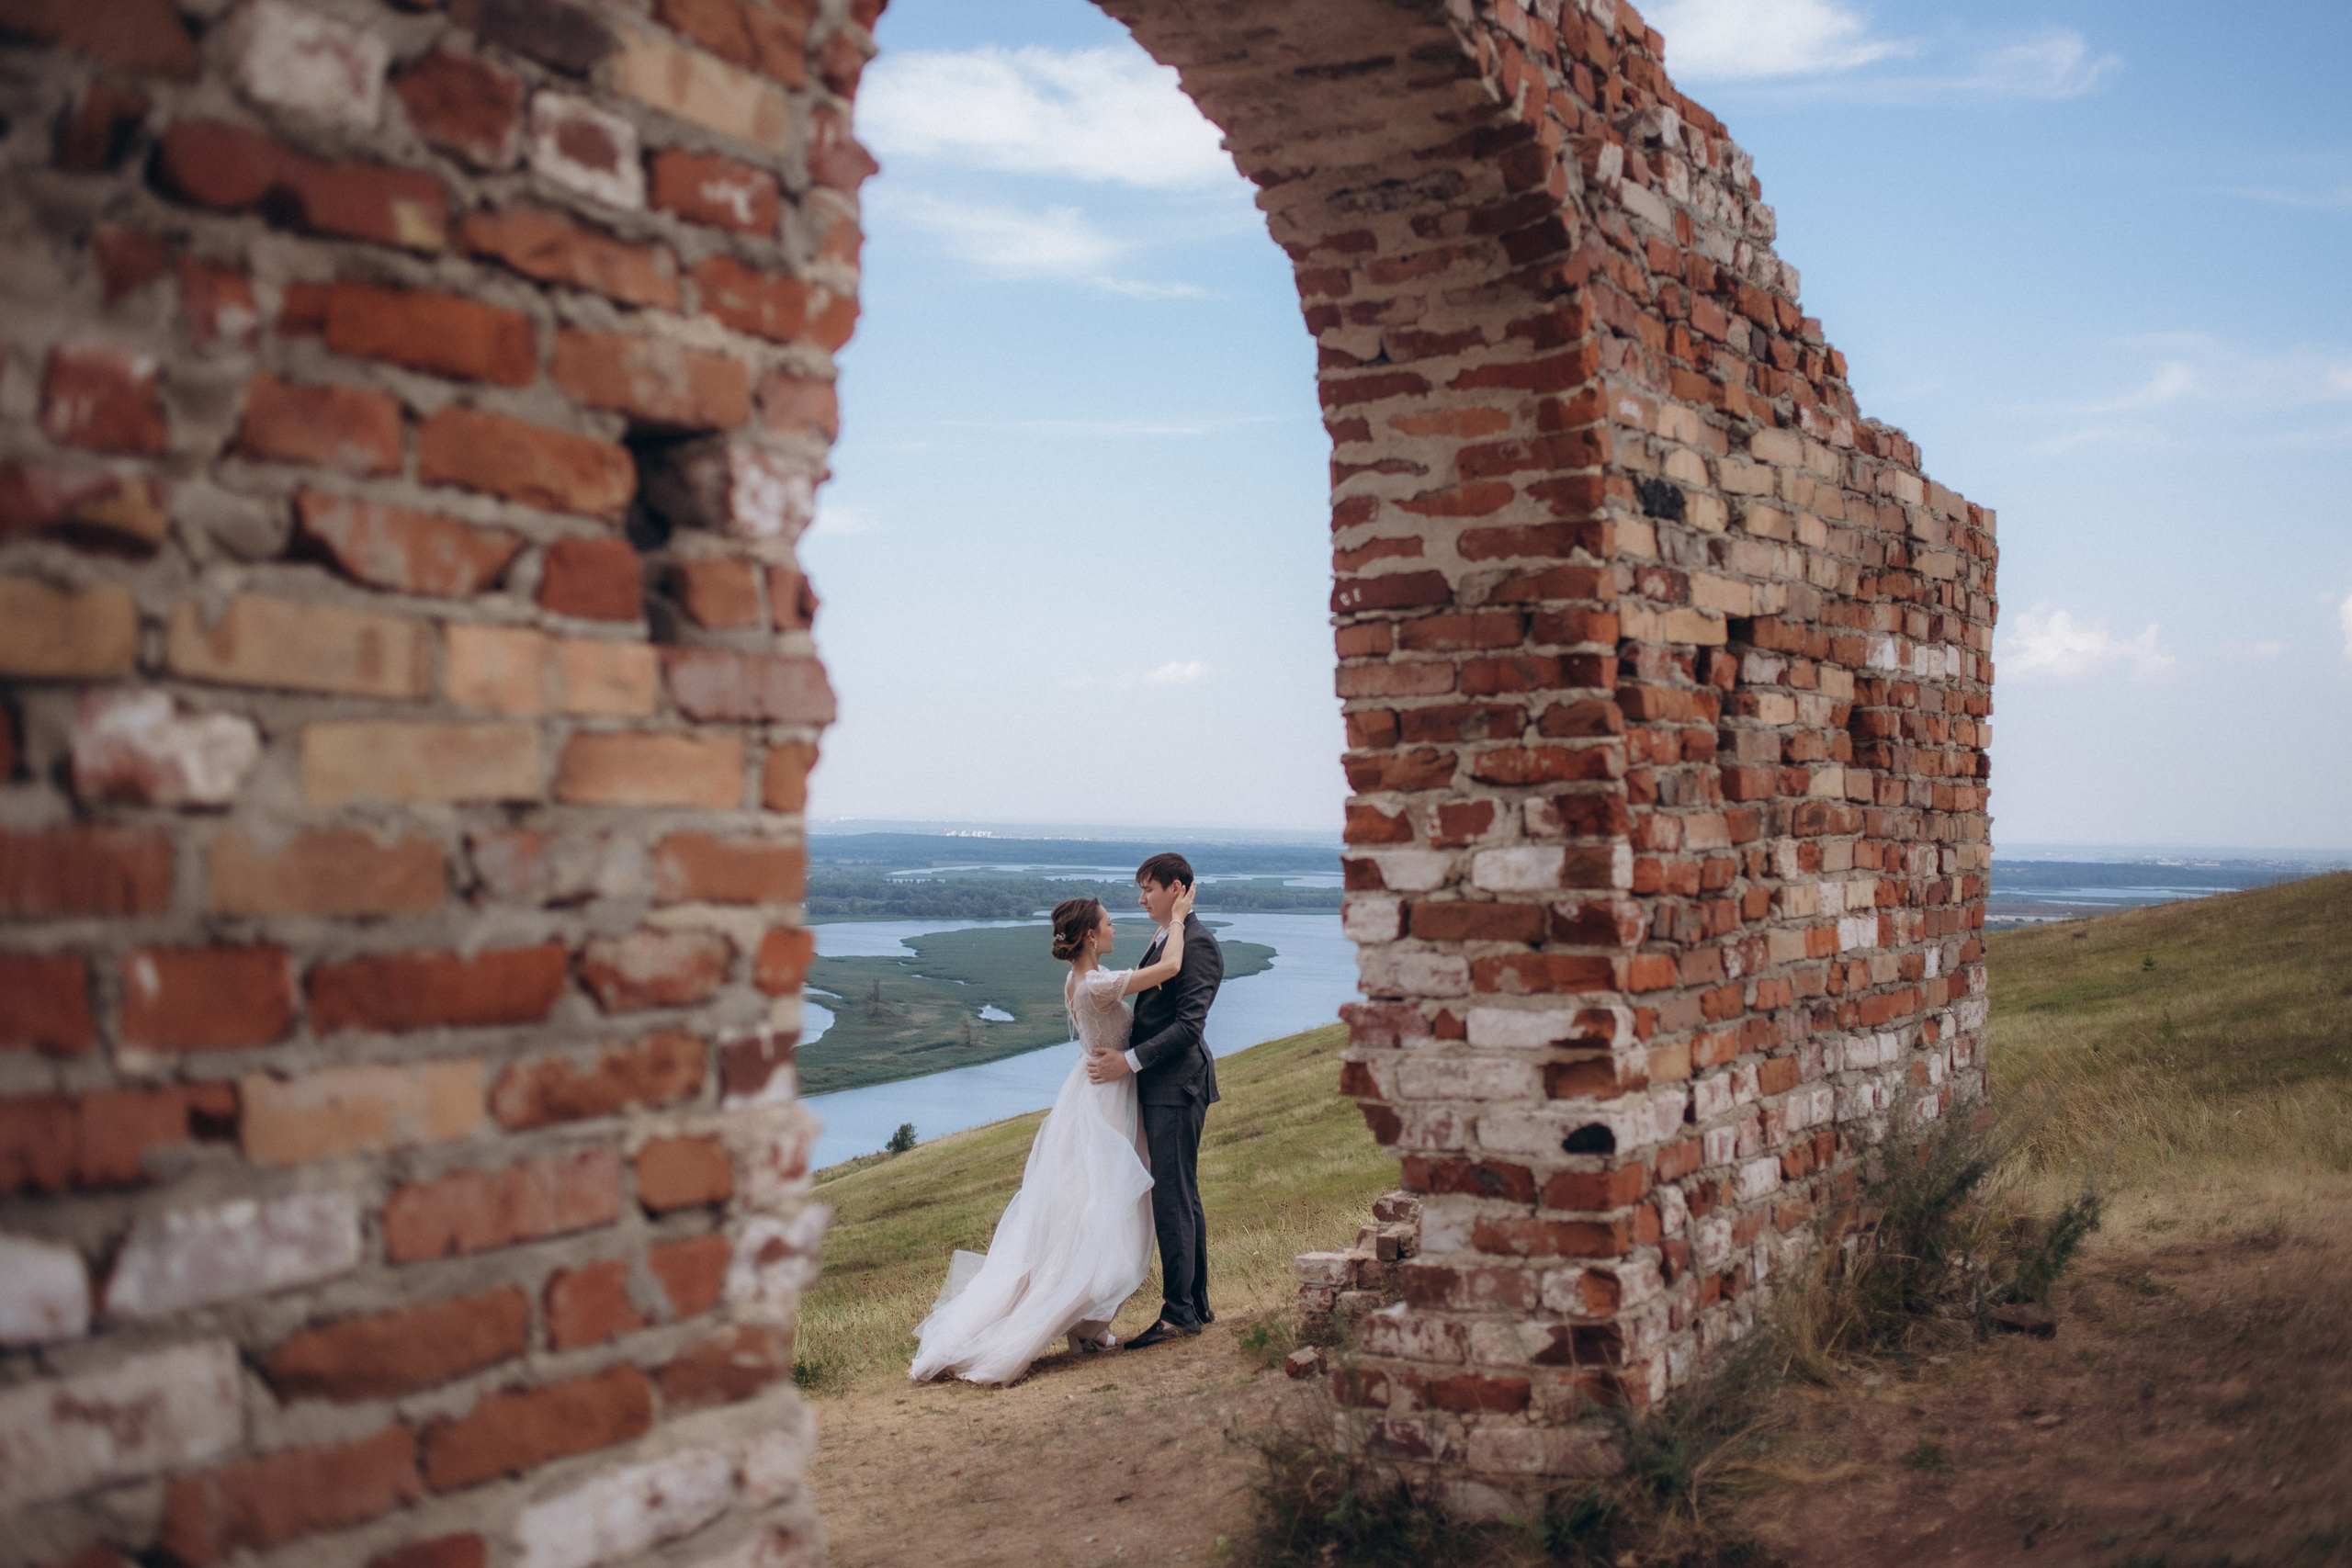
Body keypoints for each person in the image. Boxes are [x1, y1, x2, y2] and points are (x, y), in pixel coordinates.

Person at [907, 880, 1197, 1384]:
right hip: (1108, 1101)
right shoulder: (1098, 984)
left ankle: (1089, 1327)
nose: (1114, 928)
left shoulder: (1080, 981)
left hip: (1090, 1095)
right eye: (1107, 924)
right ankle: (1076, 1319)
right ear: (1089, 935)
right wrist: (1178, 919)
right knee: (1113, 1212)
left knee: (1088, 1209)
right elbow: (1170, 968)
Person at [1084, 852, 1225, 1348]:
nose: (1141, 898)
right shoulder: (1168, 939)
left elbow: (1189, 1027)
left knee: (1172, 1194)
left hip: (1178, 1085)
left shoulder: (1200, 946)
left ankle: (1178, 1313)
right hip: (1165, 1085)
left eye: (1148, 888)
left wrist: (1130, 1062)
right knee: (1182, 1192)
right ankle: (1196, 1301)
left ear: (1178, 889)